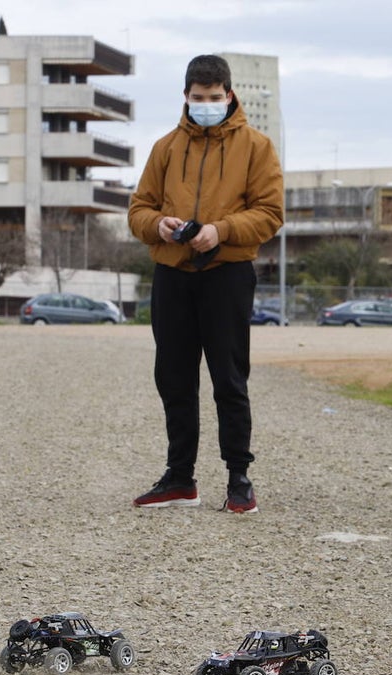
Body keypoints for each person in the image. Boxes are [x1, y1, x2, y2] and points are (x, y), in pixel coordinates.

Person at [128, 54, 283, 514]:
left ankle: (239, 477)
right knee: (173, 377)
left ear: (230, 95)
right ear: (186, 97)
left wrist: (222, 230)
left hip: (227, 275)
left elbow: (271, 213)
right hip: (172, 275)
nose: (207, 105)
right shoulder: (165, 148)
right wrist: (158, 225)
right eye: (199, 98)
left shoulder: (257, 147)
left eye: (215, 98)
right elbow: (138, 209)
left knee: (229, 379)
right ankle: (180, 478)